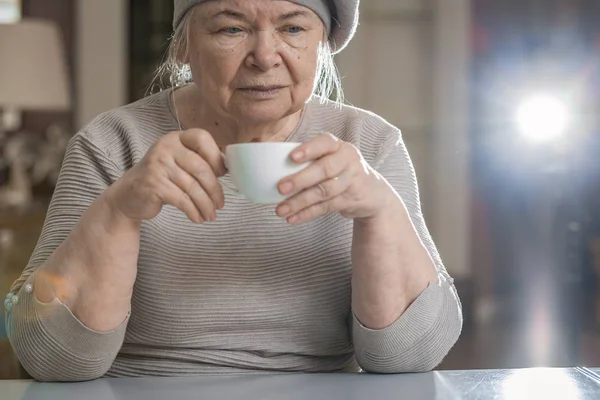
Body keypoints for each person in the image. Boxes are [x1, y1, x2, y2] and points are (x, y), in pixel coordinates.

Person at [4, 0, 462, 381]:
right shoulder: (111, 142)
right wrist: (119, 209)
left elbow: (409, 357)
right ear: (183, 45)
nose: (265, 55)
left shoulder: (369, 144)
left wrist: (380, 210)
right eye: (230, 28)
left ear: (323, 44)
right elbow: (51, 357)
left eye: (293, 27)